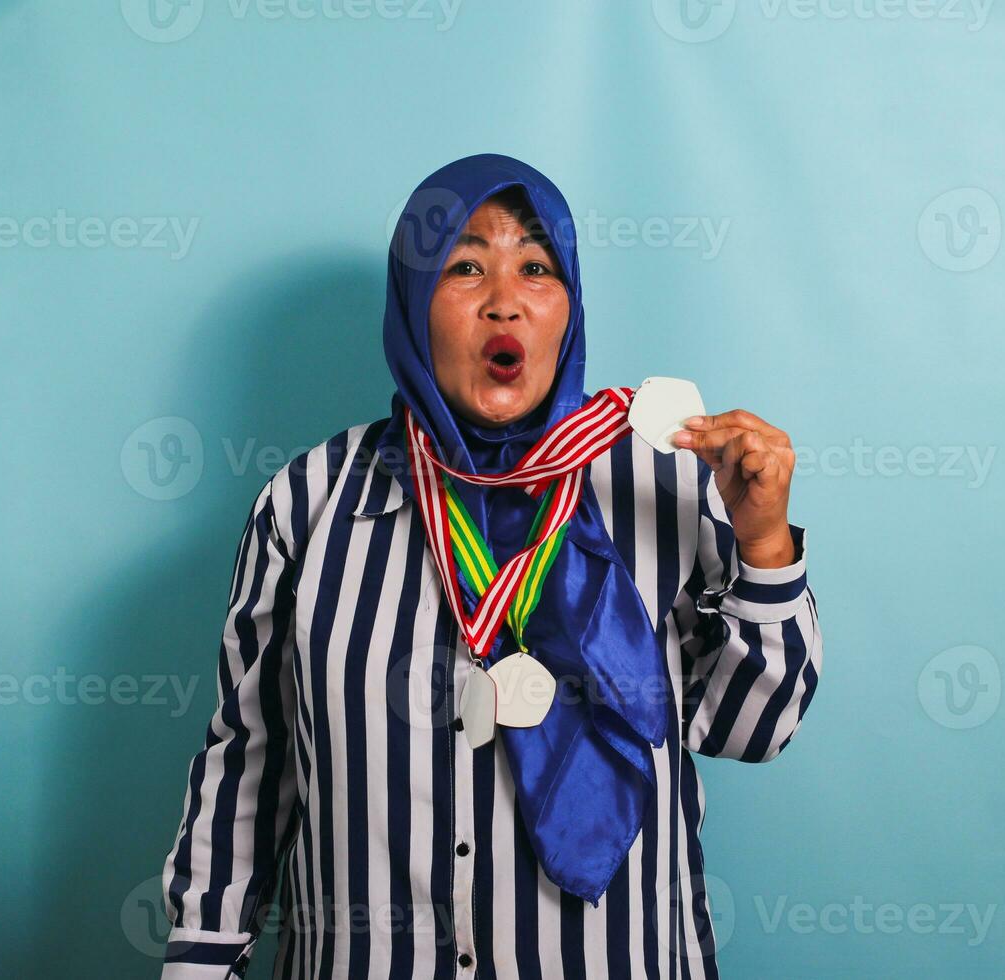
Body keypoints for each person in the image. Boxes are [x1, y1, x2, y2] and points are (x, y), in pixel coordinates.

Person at [159, 153, 823, 979]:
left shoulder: (666, 483)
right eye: (466, 265)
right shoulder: (308, 503)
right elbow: (248, 764)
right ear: (412, 305)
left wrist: (763, 546)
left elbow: (749, 729)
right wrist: (201, 961)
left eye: (536, 268)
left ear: (569, 309)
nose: (504, 300)